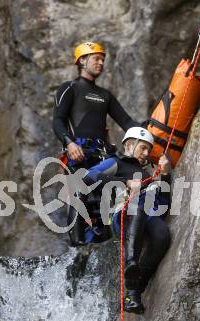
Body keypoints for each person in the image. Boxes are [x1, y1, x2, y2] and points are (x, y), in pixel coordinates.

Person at [52, 41, 139, 246]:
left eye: (102, 59)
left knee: (104, 196)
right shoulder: (70, 88)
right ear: (82, 61)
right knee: (79, 192)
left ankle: (101, 241)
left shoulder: (105, 95)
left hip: (101, 152)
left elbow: (126, 122)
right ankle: (78, 244)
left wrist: (148, 130)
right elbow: (58, 120)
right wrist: (69, 144)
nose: (101, 63)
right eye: (96, 59)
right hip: (79, 149)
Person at [83, 127, 171, 314]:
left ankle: (134, 293)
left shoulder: (149, 174)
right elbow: (87, 176)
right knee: (137, 206)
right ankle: (131, 262)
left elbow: (163, 204)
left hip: (146, 216)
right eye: (143, 148)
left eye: (149, 150)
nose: (146, 154)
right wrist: (125, 183)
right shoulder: (117, 163)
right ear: (129, 145)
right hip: (122, 215)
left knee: (162, 235)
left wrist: (165, 175)